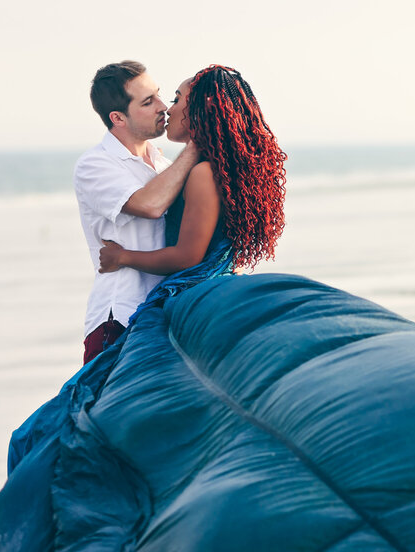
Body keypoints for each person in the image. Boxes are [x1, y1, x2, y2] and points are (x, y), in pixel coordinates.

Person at [97, 64, 286, 317]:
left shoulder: (203, 174)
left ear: (200, 111)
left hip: (196, 292)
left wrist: (121, 257)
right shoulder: (213, 169)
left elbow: (187, 257)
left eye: (177, 99)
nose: (168, 108)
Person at [75, 61, 199, 365]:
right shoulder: (95, 164)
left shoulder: (164, 165)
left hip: (163, 314)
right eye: (148, 102)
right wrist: (196, 147)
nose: (163, 107)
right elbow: (150, 205)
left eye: (159, 95)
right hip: (119, 317)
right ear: (117, 117)